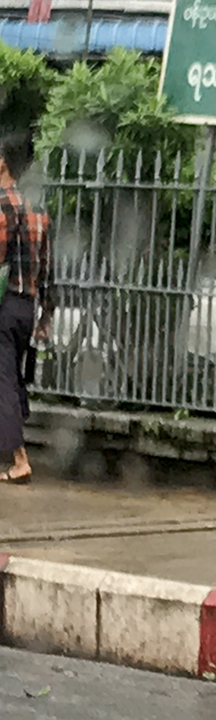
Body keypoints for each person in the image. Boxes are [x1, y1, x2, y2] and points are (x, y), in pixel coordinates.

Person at [0, 131, 52, 485]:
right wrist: (46, 315)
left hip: (3, 305)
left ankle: (20, 460)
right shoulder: (37, 210)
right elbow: (47, 269)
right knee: (13, 376)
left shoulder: (3, 206)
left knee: (3, 379)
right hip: (27, 306)